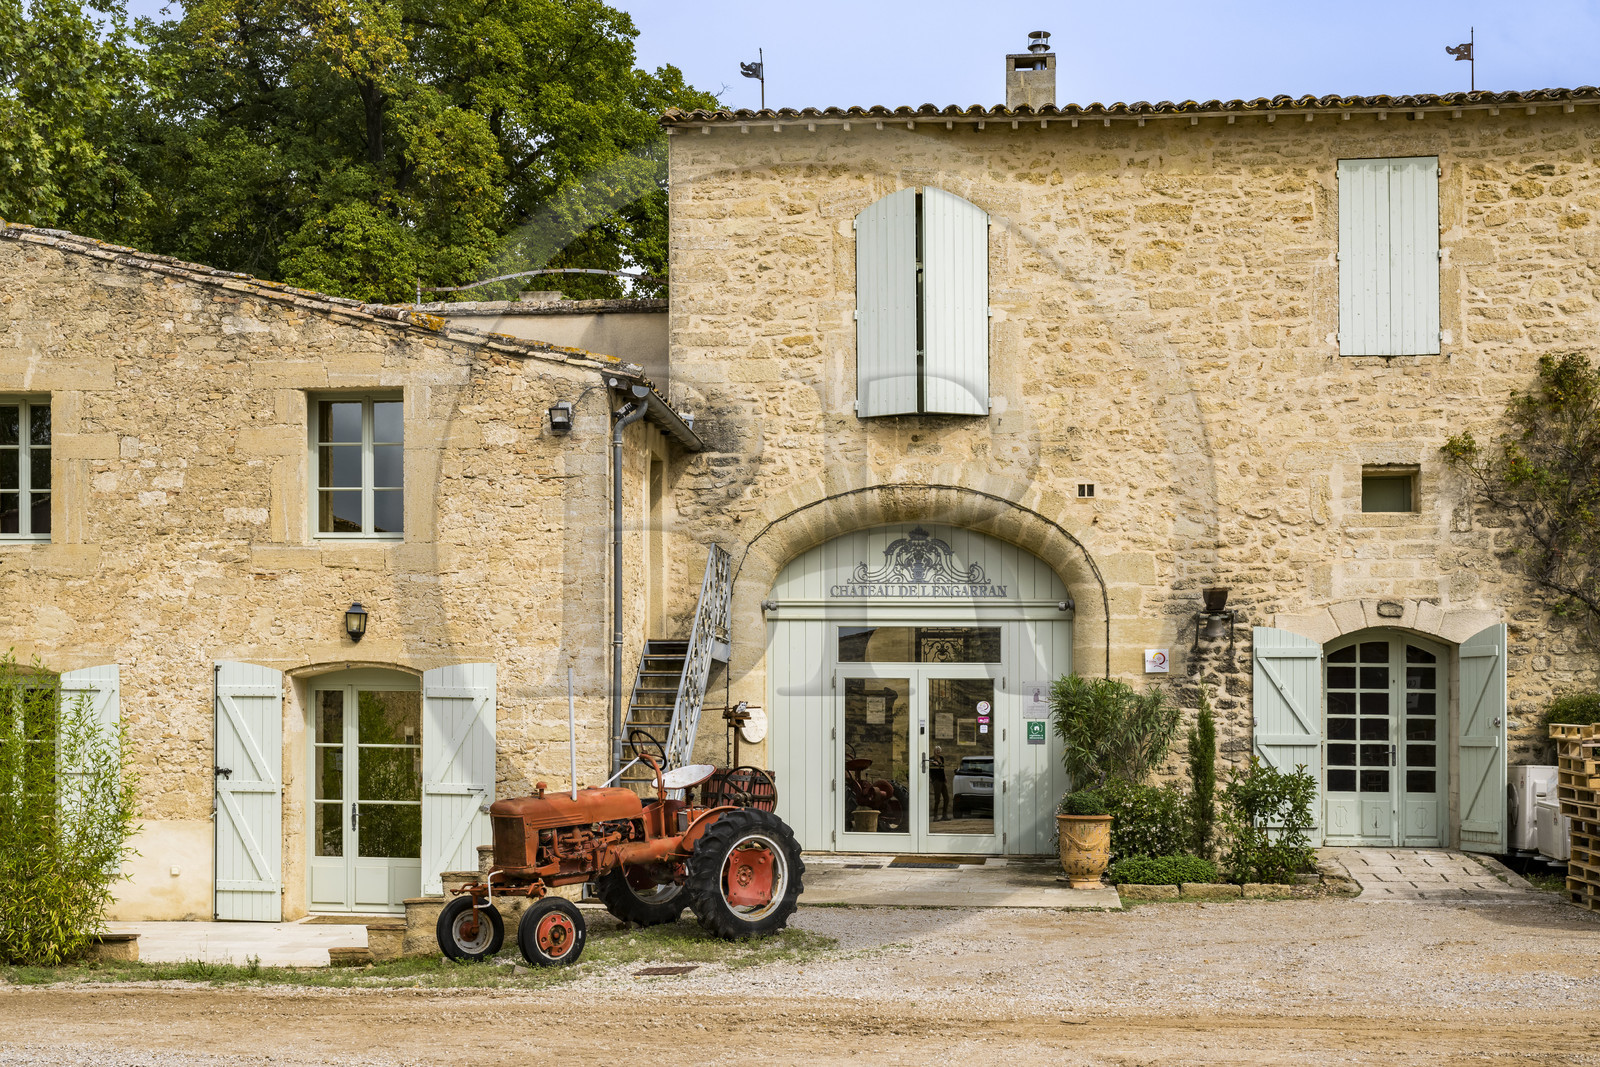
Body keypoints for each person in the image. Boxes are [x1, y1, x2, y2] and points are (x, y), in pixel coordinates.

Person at [929, 746, 950, 821]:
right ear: (934, 751)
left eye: (939, 750)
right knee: (937, 799)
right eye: (937, 750)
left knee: (946, 798)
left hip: (942, 779)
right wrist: (932, 779)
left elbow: (942, 769)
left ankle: (944, 815)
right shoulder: (931, 759)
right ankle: (935, 816)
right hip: (936, 780)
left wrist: (945, 776)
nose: (938, 751)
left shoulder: (942, 758)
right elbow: (930, 770)